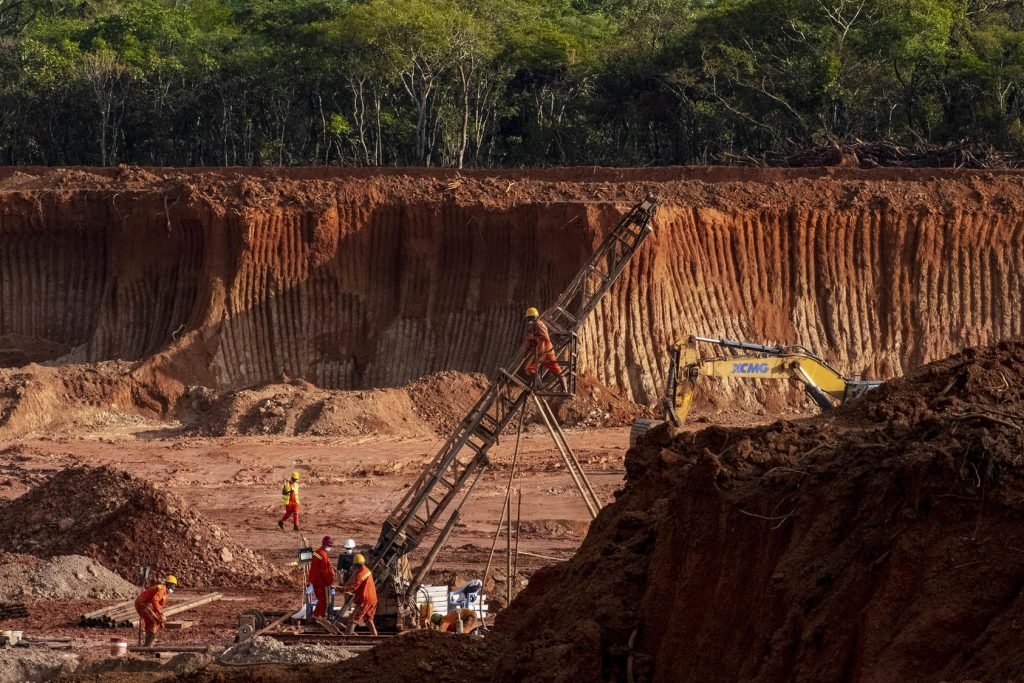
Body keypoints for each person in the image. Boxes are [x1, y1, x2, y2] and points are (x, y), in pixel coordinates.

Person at [523, 307, 568, 392]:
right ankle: (540, 387)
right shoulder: (532, 327)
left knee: (555, 370)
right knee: (530, 368)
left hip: (546, 352)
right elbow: (529, 342)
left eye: (529, 317)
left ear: (533, 317)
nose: (528, 320)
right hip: (541, 353)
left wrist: (533, 337)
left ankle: (563, 389)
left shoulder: (539, 324)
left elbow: (545, 337)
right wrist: (526, 351)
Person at [134, 575, 177, 647]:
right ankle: (147, 646)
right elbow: (154, 600)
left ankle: (147, 645)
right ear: (169, 584)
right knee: (156, 622)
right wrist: (160, 614)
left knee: (151, 623)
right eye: (174, 586)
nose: (174, 588)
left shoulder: (164, 591)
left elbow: (156, 604)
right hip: (143, 604)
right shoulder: (162, 589)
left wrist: (160, 616)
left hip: (143, 604)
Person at [342, 553, 378, 636]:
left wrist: (341, 589)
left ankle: (346, 639)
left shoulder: (360, 574)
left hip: (365, 600)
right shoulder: (367, 570)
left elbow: (354, 587)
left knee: (353, 620)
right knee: (369, 620)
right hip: (373, 599)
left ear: (356, 565)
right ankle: (375, 637)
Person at [308, 536, 335, 619]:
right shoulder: (323, 555)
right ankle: (321, 617)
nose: (330, 547)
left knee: (320, 599)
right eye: (329, 546)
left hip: (314, 580)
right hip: (321, 582)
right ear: (326, 545)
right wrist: (329, 582)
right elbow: (324, 571)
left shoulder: (317, 552)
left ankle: (315, 615)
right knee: (324, 601)